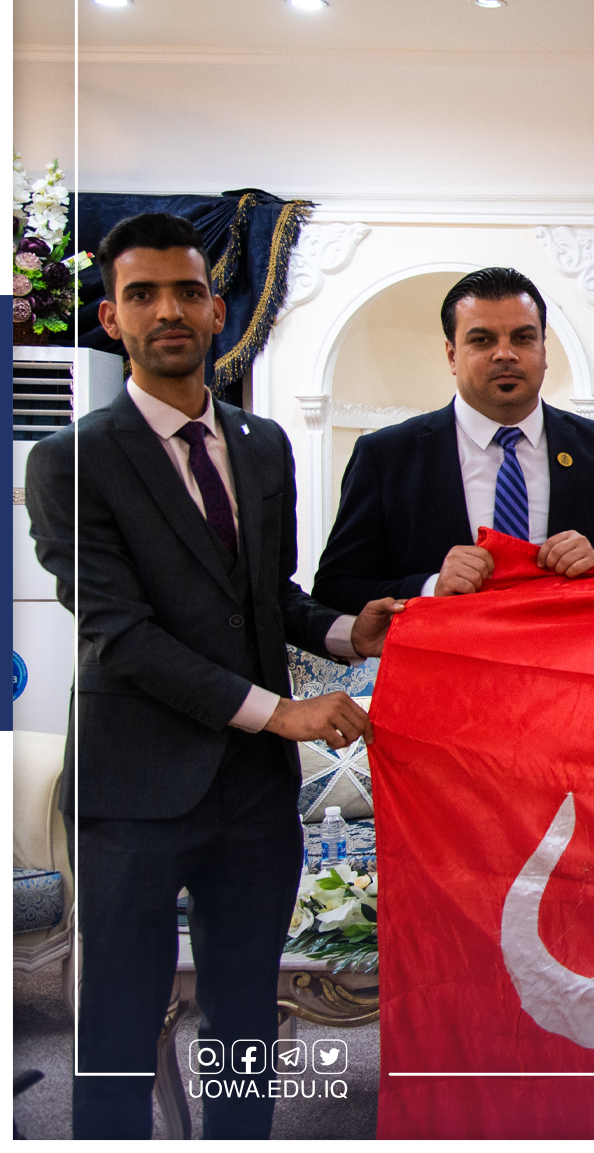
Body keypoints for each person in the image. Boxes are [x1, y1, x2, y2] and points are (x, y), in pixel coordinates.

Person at [24, 212, 402, 1138]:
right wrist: (282, 713)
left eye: (187, 291)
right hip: (131, 792)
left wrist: (351, 631)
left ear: (217, 310)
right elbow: (121, 636)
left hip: (251, 799)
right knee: (116, 1030)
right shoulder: (70, 460)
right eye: (142, 294)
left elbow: (266, 597)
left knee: (244, 1026)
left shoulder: (263, 444)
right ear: (111, 317)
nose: (169, 311)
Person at [313, 266, 594, 612]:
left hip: (568, 644)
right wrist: (431, 587)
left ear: (543, 350)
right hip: (445, 646)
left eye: (523, 338)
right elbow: (335, 588)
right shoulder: (385, 457)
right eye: (482, 340)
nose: (505, 354)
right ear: (452, 356)